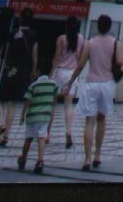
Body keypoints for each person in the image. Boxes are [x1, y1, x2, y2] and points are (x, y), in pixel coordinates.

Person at [62, 13, 123, 171]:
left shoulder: (90, 43)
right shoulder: (115, 43)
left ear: (97, 26)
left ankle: (87, 159)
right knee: (101, 119)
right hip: (107, 83)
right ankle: (97, 155)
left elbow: (81, 65)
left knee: (89, 121)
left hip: (91, 83)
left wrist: (70, 82)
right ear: (109, 27)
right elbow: (119, 61)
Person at [0, 6, 38, 147]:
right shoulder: (34, 35)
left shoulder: (12, 33)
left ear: (20, 19)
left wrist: (3, 67)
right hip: (23, 71)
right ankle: (5, 135)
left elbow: (6, 52)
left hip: (10, 70)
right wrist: (33, 70)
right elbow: (34, 55)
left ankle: (1, 125)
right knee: (12, 104)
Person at [48, 15, 85, 148]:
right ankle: (68, 131)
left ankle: (47, 134)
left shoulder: (61, 39)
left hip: (59, 72)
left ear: (66, 25)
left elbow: (56, 58)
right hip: (71, 74)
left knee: (52, 104)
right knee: (68, 105)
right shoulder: (81, 39)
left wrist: (51, 75)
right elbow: (80, 59)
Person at [17, 70, 59, 174]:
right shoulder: (53, 84)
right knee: (41, 138)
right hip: (44, 116)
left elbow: (27, 101)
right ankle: (40, 161)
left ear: (38, 71)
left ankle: (23, 158)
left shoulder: (33, 85)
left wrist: (22, 115)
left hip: (32, 116)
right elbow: (56, 96)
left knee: (28, 138)